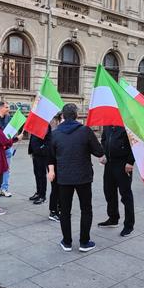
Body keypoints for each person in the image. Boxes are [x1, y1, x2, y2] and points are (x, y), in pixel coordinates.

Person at [47, 103, 104, 252]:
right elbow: (99, 152)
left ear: (63, 116)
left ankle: (67, 242)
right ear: (77, 115)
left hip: (64, 178)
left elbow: (50, 156)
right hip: (83, 177)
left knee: (65, 211)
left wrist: (51, 171)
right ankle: (84, 242)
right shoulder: (85, 131)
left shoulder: (55, 133)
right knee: (86, 209)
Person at [98, 125, 135, 237]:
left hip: (123, 164)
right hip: (109, 164)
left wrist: (130, 162)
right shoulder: (107, 126)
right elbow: (103, 140)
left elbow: (135, 144)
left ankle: (129, 225)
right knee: (109, 191)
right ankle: (113, 218)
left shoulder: (127, 126)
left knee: (126, 195)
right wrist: (104, 154)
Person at [28, 123, 51, 205]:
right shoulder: (35, 124)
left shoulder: (45, 124)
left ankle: (42, 196)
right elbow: (33, 138)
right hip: (35, 154)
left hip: (42, 154)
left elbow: (47, 140)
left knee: (41, 174)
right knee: (37, 174)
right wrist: (31, 150)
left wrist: (41, 149)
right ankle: (38, 192)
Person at [0, 101, 14, 197]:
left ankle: (4, 189)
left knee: (6, 169)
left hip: (7, 147)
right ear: (1, 108)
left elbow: (11, 131)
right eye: (6, 107)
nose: (8, 109)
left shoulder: (9, 118)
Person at [48, 113, 63, 222]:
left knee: (61, 188)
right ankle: (53, 211)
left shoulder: (60, 130)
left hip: (62, 163)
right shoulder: (53, 131)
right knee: (55, 188)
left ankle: (60, 207)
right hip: (53, 162)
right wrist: (51, 170)